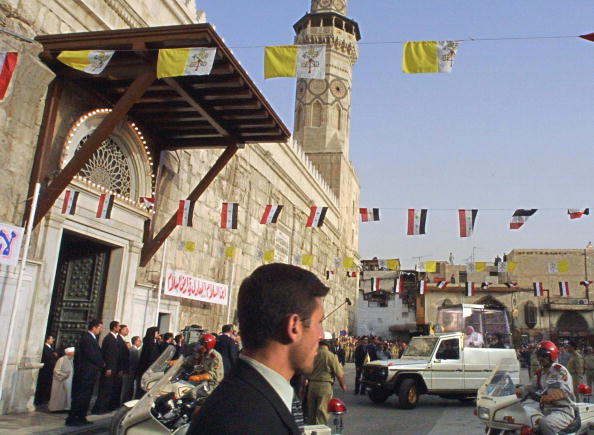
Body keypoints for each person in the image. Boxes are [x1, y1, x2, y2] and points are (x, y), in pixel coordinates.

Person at [188, 263, 329, 435]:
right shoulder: (242, 421)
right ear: (294, 327)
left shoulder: (251, 398)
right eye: (319, 322)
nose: (321, 336)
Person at [515, 341, 576, 435]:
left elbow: (563, 391)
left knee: (546, 424)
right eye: (539, 355)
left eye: (544, 356)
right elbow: (530, 387)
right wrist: (517, 392)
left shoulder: (560, 371)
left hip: (562, 410)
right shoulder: (540, 373)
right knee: (523, 417)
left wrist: (549, 397)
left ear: (552, 356)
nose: (540, 358)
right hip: (545, 408)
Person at [66, 319, 104, 427]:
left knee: (86, 396)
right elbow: (91, 355)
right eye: (100, 327)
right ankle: (72, 418)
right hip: (85, 373)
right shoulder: (87, 338)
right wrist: (102, 364)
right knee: (80, 396)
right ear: (94, 327)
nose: (101, 330)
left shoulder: (92, 338)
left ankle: (81, 416)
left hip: (90, 373)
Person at [306, 335, 346, 425]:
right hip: (324, 385)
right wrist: (343, 386)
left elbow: (305, 370)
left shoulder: (312, 355)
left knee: (311, 412)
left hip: (312, 384)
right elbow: (339, 374)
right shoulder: (331, 356)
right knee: (322, 412)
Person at [92, 320, 121, 414]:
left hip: (114, 368)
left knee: (109, 389)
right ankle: (99, 409)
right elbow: (107, 354)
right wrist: (108, 367)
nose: (119, 328)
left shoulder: (115, 338)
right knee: (105, 389)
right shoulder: (109, 338)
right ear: (114, 328)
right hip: (109, 368)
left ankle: (105, 407)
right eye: (118, 326)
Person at [135, 326, 161, 398]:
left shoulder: (153, 343)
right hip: (147, 368)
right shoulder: (149, 344)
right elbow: (150, 357)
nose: (158, 334)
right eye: (157, 332)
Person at [49, 347, 75, 412]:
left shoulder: (73, 359)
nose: (74, 353)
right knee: (60, 394)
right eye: (73, 352)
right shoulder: (62, 359)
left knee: (68, 393)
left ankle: (67, 407)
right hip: (62, 380)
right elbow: (56, 370)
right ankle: (56, 408)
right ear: (69, 353)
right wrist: (64, 375)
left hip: (70, 380)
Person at [35, 335, 57, 405]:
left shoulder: (50, 348)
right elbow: (48, 357)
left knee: (46, 385)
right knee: (42, 384)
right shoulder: (45, 347)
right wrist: (53, 356)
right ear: (47, 340)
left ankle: (44, 398)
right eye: (51, 339)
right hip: (46, 369)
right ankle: (39, 400)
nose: (53, 340)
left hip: (50, 369)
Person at [118, 324, 131, 404]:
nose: (128, 331)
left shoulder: (123, 340)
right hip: (121, 368)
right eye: (126, 329)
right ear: (121, 330)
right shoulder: (119, 340)